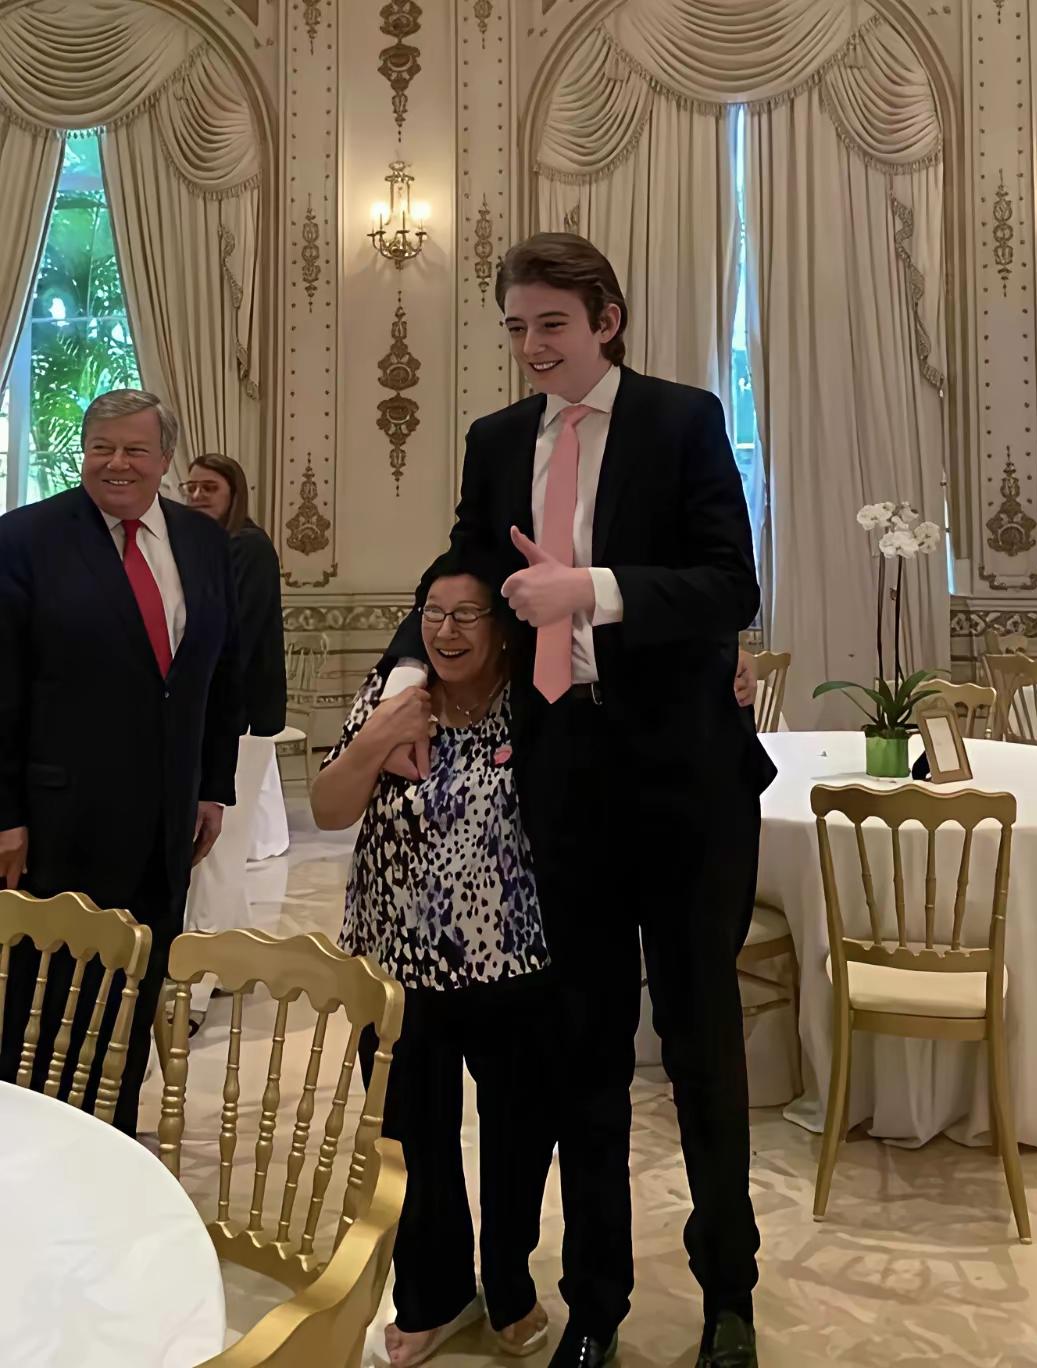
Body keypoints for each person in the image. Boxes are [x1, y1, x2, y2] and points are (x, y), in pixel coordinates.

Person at [379, 233, 776, 1368]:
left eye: (551, 323)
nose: (531, 346)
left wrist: (588, 591)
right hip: (559, 786)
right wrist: (405, 676)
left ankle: (729, 1294)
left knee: (701, 1048)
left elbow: (729, 585)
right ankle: (595, 1303)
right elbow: (457, 577)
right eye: (515, 326)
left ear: (606, 319)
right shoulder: (497, 440)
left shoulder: (682, 420)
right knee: (584, 1054)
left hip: (687, 785)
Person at [311, 548, 554, 1367]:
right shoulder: (395, 696)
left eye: (467, 615)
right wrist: (375, 740)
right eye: (434, 615)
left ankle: (510, 1284)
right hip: (394, 968)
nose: (448, 631)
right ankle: (434, 1293)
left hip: (513, 967)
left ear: (502, 627)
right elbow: (329, 808)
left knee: (518, 1138)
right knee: (412, 1140)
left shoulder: (534, 704)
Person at [0, 389, 241, 1136]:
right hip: (56, 822)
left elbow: (217, 675)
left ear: (165, 458)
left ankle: (114, 1139)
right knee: (44, 1002)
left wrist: (212, 787)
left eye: (135, 449)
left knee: (134, 991)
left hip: (165, 825)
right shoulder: (25, 538)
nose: (117, 463)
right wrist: (4, 814)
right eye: (101, 447)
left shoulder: (202, 543)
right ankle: (32, 1150)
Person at [180, 454, 287, 1023]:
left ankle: (192, 994)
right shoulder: (208, 546)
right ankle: (232, 967)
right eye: (191, 486)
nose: (198, 495)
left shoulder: (247, 547)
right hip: (220, 718)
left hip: (237, 721)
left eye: (210, 487)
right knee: (223, 852)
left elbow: (232, 638)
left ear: (234, 493)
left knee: (215, 852)